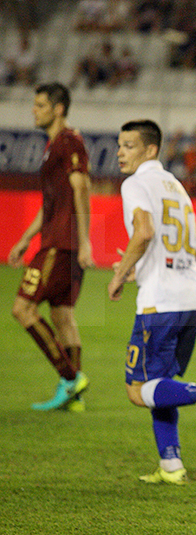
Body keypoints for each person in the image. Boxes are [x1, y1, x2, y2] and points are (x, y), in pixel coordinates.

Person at [108, 119, 196, 484]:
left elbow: (144, 231)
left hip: (160, 301)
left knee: (138, 391)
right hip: (192, 295)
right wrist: (140, 267)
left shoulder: (136, 183)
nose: (120, 152)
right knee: (159, 386)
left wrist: (119, 273)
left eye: (129, 145)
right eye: (119, 145)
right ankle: (171, 466)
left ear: (150, 149)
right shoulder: (176, 187)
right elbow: (190, 246)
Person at [9, 82, 93, 412]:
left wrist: (85, 241)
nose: (34, 109)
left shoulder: (69, 141)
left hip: (61, 244)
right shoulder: (56, 145)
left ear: (58, 109)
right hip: (58, 240)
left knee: (23, 309)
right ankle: (74, 398)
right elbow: (53, 203)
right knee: (63, 317)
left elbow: (81, 189)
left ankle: (70, 378)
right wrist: (27, 238)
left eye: (40, 104)